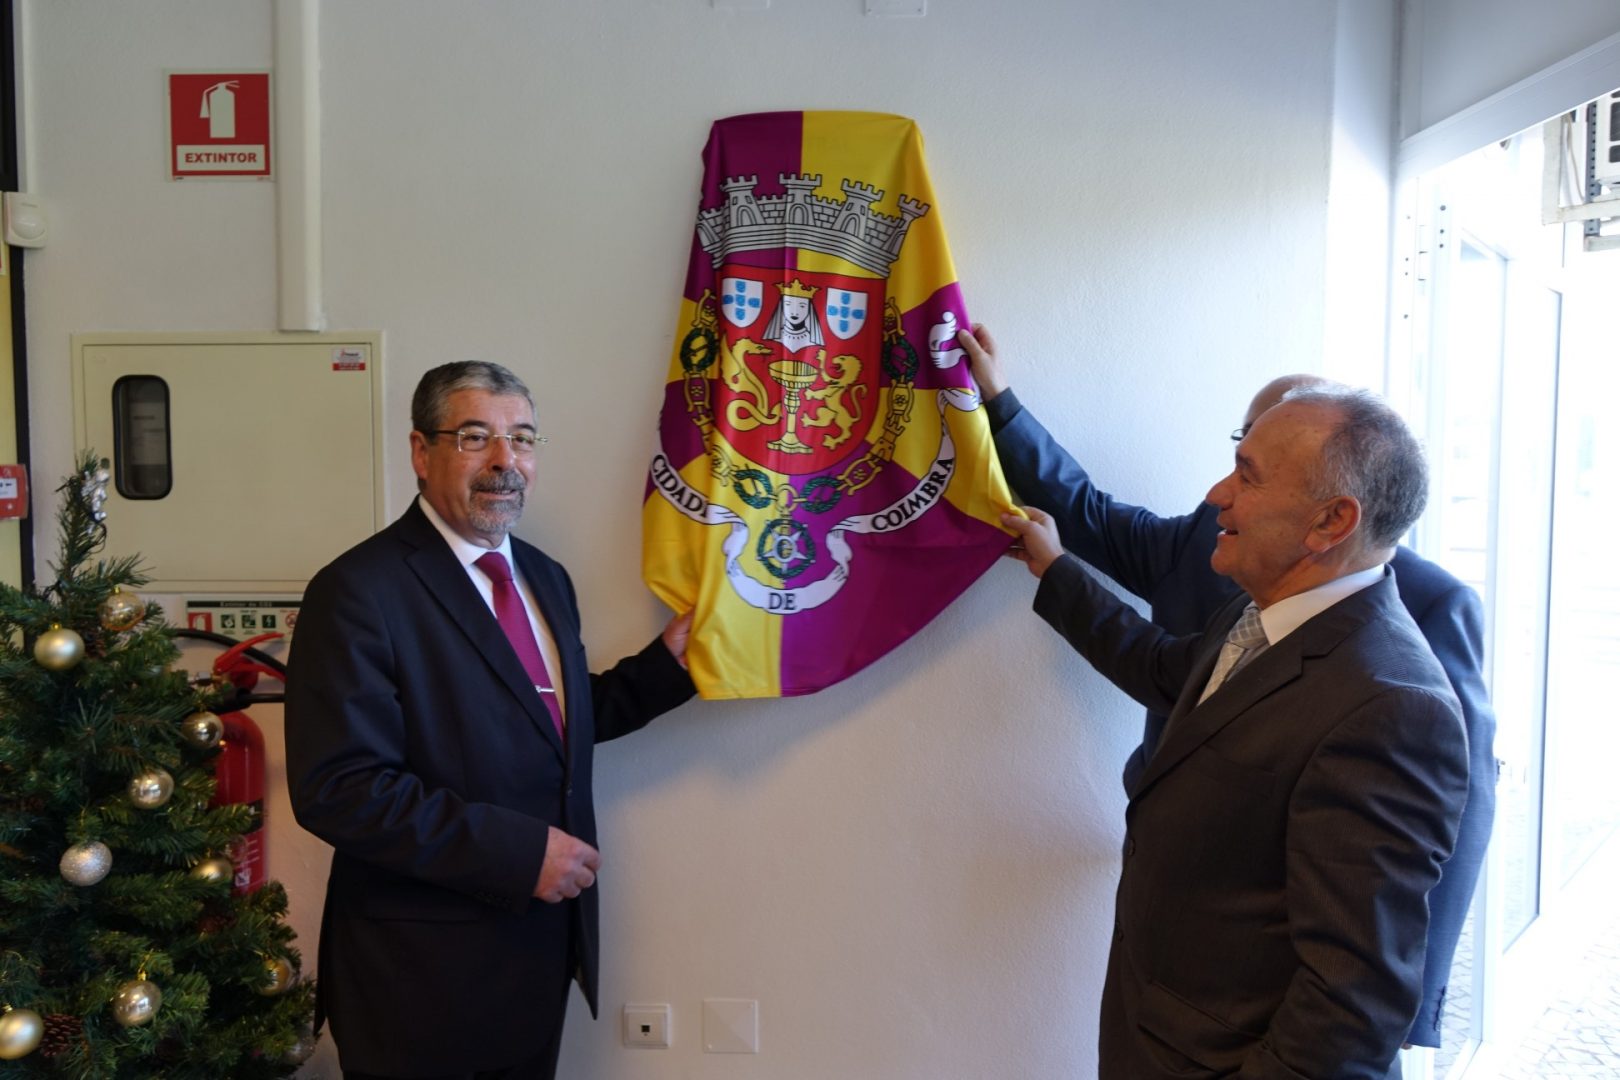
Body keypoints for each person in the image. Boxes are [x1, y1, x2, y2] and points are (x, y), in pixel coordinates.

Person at [961, 324, 1495, 1051]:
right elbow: (1161, 665)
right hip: (1161, 1020)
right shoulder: (1259, 608)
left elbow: (1351, 1004)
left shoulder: (1398, 702)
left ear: (1332, 520)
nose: (1217, 493)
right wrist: (1055, 567)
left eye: (1248, 473)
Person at [285, 361, 695, 1080]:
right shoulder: (357, 590)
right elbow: (340, 789)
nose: (506, 461)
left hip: (535, 957)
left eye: (523, 439)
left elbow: (545, 721)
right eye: (476, 437)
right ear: (422, 452)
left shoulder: (544, 576)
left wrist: (667, 666)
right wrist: (519, 854)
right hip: (416, 977)